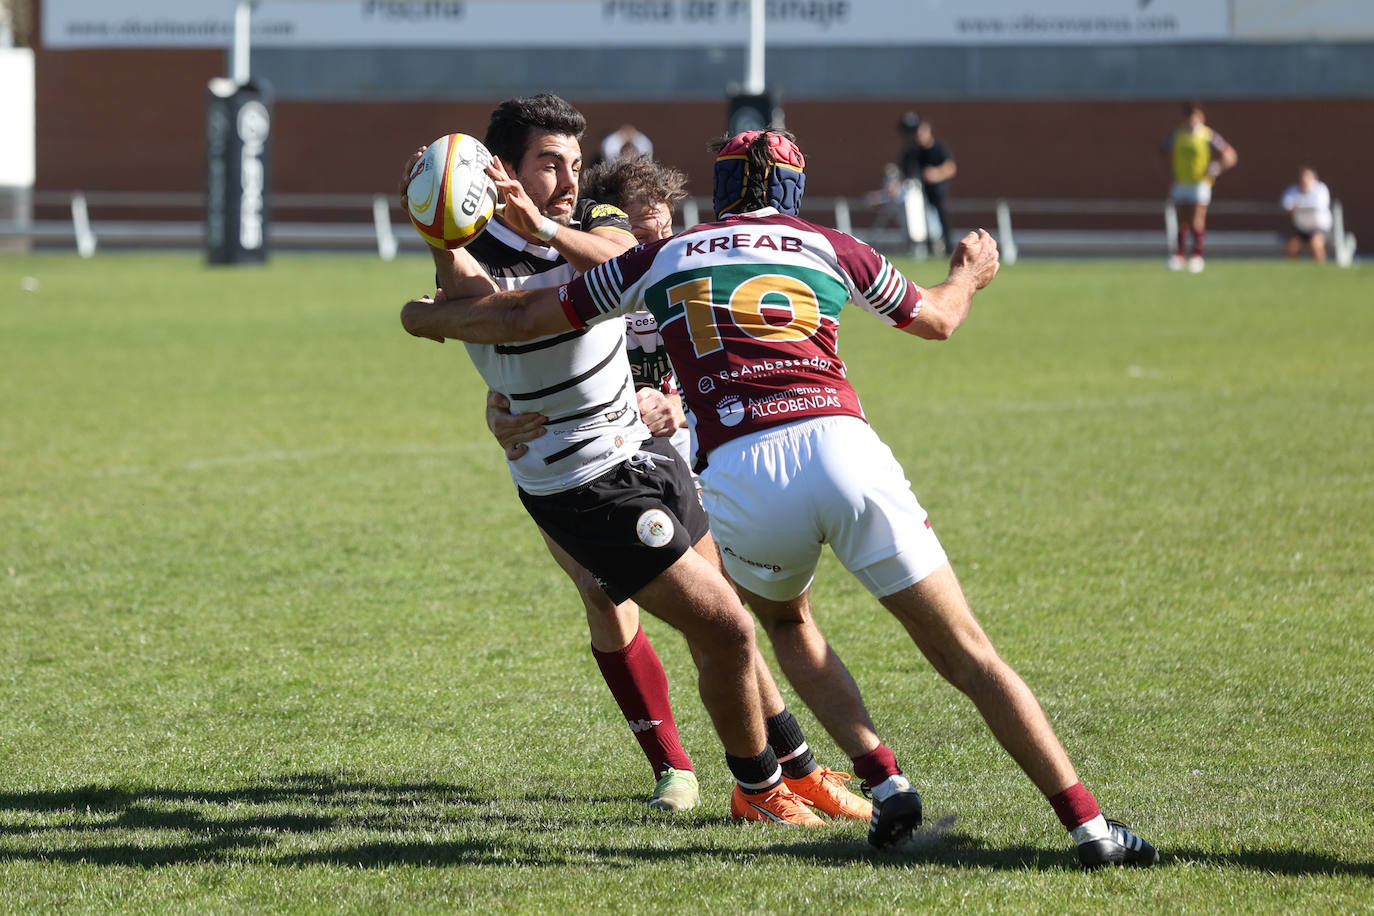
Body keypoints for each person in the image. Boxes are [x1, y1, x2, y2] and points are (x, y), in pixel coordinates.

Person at [406, 128, 1162, 870]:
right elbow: (938, 319)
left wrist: (422, 318)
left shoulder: (664, 254)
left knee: (780, 624)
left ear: (719, 194)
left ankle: (880, 777)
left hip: (737, 468)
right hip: (839, 449)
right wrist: (969, 272)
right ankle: (1088, 827)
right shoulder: (827, 243)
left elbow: (519, 319)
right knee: (970, 656)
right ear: (795, 195)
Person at [400, 96, 869, 829]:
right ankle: (749, 787)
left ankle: (801, 772)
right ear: (500, 171)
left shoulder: (591, 220)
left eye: (576, 164)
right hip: (582, 478)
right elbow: (482, 313)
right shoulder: (476, 257)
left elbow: (628, 266)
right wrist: (440, 243)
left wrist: (516, 251)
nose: (567, 178)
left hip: (646, 451)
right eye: (549, 163)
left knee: (726, 616)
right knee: (717, 625)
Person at [1162, 101, 1238, 273]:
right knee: (1182, 220)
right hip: (1181, 182)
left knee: (1197, 219)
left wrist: (1216, 167)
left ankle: (1197, 255)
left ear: (1201, 117)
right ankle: (1179, 255)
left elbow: (1231, 155)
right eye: (1189, 115)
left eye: (1195, 115)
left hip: (1200, 183)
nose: (1192, 119)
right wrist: (1172, 170)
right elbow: (1163, 150)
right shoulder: (1177, 134)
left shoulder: (1208, 135)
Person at [898, 112, 957, 256]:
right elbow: (904, 170)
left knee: (942, 219)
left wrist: (935, 174)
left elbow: (950, 167)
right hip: (920, 192)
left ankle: (948, 249)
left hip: (937, 191)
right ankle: (929, 249)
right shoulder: (913, 151)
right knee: (922, 221)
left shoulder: (938, 147)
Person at [1281, 166, 1333, 263]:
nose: (1305, 180)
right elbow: (1287, 206)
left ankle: (1321, 271)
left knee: (1315, 244)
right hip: (1302, 229)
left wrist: (1298, 205)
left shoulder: (1321, 189)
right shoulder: (1293, 191)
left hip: (1320, 228)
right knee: (1291, 247)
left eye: (1307, 178)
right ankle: (1292, 272)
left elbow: (1317, 205)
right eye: (1303, 178)